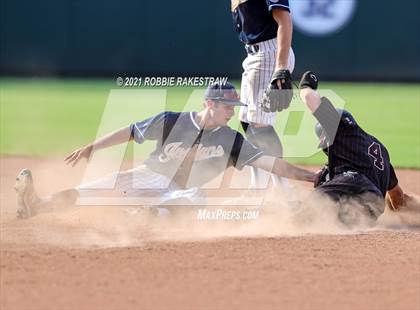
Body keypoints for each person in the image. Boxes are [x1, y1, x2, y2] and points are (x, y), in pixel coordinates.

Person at [15, 82, 315, 219]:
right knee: (91, 190)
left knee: (195, 198)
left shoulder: (231, 138)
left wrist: (311, 177)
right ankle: (37, 205)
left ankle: (145, 214)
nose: (231, 112)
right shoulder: (172, 120)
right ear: (209, 104)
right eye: (227, 106)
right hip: (148, 177)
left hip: (176, 193)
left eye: (234, 108)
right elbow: (131, 132)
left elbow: (271, 164)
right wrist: (93, 146)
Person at [298, 71, 408, 223]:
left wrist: (305, 86)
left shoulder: (340, 129)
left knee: (307, 208)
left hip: (354, 183)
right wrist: (406, 219)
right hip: (372, 207)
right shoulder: (379, 149)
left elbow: (309, 98)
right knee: (330, 220)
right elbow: (397, 195)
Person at [231, 0, 295, 188]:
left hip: (270, 54)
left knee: (260, 125)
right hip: (253, 56)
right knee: (247, 122)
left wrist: (281, 68)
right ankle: (257, 187)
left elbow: (284, 21)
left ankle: (287, 194)